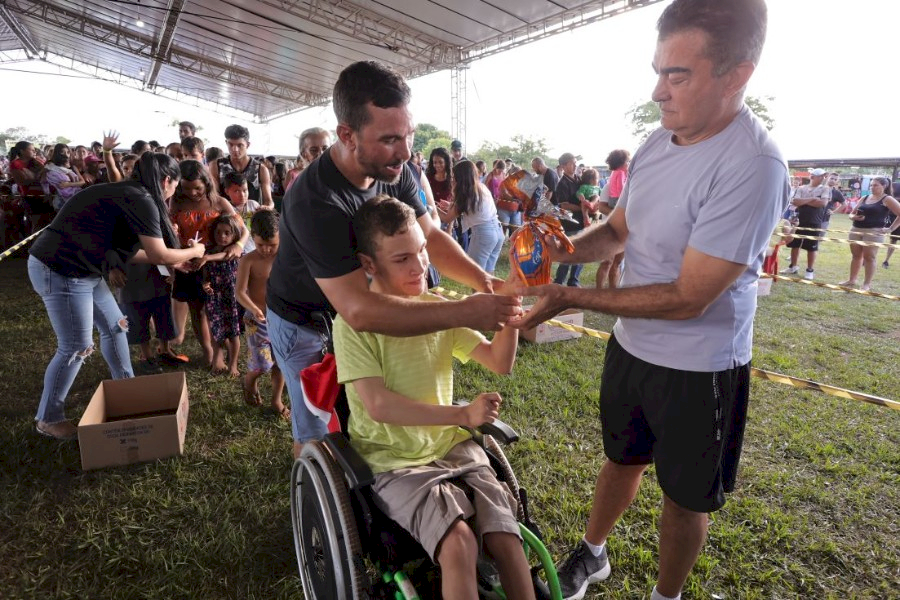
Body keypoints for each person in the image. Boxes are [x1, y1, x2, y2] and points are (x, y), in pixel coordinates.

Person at [508, 1, 789, 598]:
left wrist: (570, 294)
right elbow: (616, 230)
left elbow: (691, 298)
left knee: (685, 499)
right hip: (632, 347)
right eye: (658, 71)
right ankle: (592, 554)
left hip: (699, 365)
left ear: (737, 75)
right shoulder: (656, 143)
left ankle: (667, 595)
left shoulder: (753, 165)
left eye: (677, 75)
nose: (658, 91)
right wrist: (563, 252)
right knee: (620, 459)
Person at [266, 60, 521, 459]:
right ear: (347, 135)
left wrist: (486, 284)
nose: (405, 152)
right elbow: (360, 311)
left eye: (409, 135)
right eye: (389, 139)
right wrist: (463, 312)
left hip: (358, 311)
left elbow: (432, 238)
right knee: (316, 424)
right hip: (304, 319)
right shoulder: (316, 200)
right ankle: (310, 502)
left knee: (358, 409)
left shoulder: (393, 169)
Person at [333, 196, 534, 600]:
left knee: (506, 536)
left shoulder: (439, 309)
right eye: (402, 258)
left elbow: (499, 362)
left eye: (422, 251)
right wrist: (462, 414)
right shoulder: (353, 324)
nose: (420, 265)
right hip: (394, 460)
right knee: (459, 544)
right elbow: (379, 406)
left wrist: (511, 307)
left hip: (450, 446)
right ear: (369, 264)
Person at [27, 152, 205, 439]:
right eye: (176, 186)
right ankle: (48, 418)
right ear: (167, 180)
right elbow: (159, 252)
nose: (175, 193)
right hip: (61, 269)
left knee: (116, 326)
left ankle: (127, 391)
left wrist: (173, 261)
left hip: (85, 270)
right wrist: (195, 251)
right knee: (76, 345)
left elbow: (131, 250)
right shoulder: (141, 198)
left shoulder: (129, 192)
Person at [169, 160, 248, 366]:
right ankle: (209, 352)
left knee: (220, 309)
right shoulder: (177, 203)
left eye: (197, 187)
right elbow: (170, 231)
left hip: (217, 265)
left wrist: (238, 244)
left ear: (206, 182)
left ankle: (223, 351)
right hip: (188, 263)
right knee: (198, 310)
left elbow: (243, 229)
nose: (192, 192)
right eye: (186, 188)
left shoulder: (219, 202)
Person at [236, 209, 289, 419]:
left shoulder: (286, 258)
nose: (266, 250)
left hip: (282, 319)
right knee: (262, 365)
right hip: (256, 320)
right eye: (260, 245)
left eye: (272, 245)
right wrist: (255, 308)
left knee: (281, 362)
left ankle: (276, 400)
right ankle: (249, 380)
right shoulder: (248, 260)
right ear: (253, 238)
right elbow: (239, 292)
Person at [439, 160, 504, 274]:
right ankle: (490, 292)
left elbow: (447, 218)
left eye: (455, 177)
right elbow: (475, 208)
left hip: (483, 234)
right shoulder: (480, 187)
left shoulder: (466, 193)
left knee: (476, 275)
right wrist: (450, 205)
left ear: (461, 177)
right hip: (497, 231)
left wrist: (429, 208)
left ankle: (481, 292)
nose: (453, 179)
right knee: (488, 274)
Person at [201, 214, 245, 376]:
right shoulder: (209, 250)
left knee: (234, 334)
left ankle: (233, 365)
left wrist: (206, 258)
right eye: (219, 232)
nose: (222, 236)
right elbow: (205, 277)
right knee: (216, 332)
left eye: (227, 233)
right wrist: (206, 285)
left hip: (232, 299)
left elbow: (225, 256)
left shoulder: (235, 252)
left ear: (235, 235)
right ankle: (217, 362)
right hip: (214, 299)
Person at [838, 177, 900, 290]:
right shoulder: (865, 197)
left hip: (874, 232)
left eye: (875, 185)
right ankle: (852, 280)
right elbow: (851, 214)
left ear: (884, 186)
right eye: (871, 185)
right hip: (856, 229)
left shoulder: (887, 199)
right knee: (856, 256)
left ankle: (866, 284)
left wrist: (890, 229)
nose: (872, 187)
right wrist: (854, 217)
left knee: (870, 257)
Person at [782, 168, 831, 280]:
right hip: (799, 220)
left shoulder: (825, 188)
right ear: (812, 177)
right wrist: (813, 199)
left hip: (815, 221)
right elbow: (795, 201)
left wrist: (804, 201)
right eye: (821, 176)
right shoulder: (801, 188)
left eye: (824, 176)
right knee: (794, 244)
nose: (823, 178)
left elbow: (823, 203)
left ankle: (809, 270)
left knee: (812, 247)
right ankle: (793, 266)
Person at [209, 124, 273, 207]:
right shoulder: (216, 166)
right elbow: (214, 197)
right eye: (231, 144)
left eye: (240, 145)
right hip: (226, 216)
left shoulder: (260, 169)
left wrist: (267, 208)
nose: (234, 149)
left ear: (248, 145)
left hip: (251, 216)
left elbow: (268, 201)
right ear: (226, 143)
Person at [596, 149, 631, 288]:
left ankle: (613, 292)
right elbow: (601, 207)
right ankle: (598, 293)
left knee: (616, 263)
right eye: (627, 161)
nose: (629, 164)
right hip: (609, 230)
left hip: (623, 230)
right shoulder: (609, 186)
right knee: (607, 262)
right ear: (622, 163)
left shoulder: (628, 184)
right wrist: (618, 214)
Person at [552, 152, 585, 287]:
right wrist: (583, 208)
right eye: (572, 163)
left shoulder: (579, 179)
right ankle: (559, 281)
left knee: (582, 252)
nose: (575, 165)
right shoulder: (562, 184)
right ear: (564, 166)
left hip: (582, 222)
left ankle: (574, 281)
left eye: (575, 162)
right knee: (568, 254)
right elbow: (564, 205)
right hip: (569, 224)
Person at [284, 127, 332, 192]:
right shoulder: (299, 185)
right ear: (304, 154)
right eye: (314, 150)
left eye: (325, 148)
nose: (321, 154)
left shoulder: (339, 178)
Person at [39, 144, 85, 211]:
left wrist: (68, 184)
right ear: (57, 153)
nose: (66, 154)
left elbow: (82, 182)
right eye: (62, 152)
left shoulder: (73, 167)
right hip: (60, 201)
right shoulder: (50, 167)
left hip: (76, 197)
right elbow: (43, 181)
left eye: (68, 152)